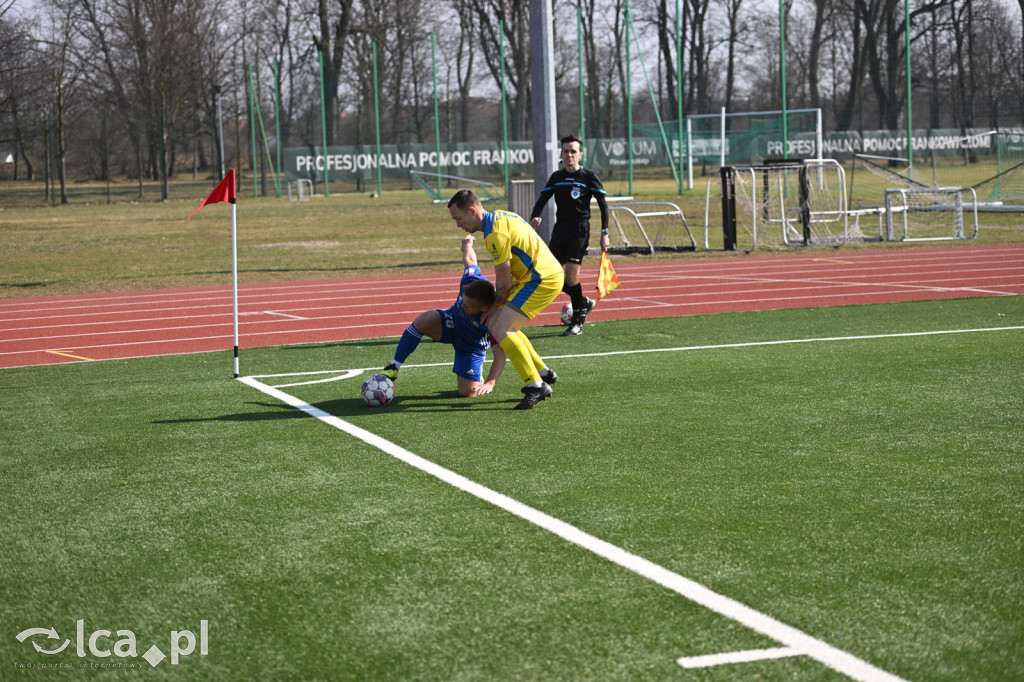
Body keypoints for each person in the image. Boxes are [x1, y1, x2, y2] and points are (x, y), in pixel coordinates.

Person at [447, 190, 562, 410]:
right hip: (537, 276)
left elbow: (504, 284)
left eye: (458, 219)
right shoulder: (500, 216)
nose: (458, 225)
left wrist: (491, 307)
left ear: (472, 211)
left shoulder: (494, 236)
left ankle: (536, 385)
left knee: (501, 327)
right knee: (502, 325)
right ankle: (541, 372)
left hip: (541, 278)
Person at [382, 234, 507, 398]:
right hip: (451, 322)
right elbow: (470, 261)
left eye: (468, 305)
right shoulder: (470, 280)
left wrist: (491, 382)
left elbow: (500, 355)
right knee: (425, 319)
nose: (462, 305)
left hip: (471, 345)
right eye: (463, 300)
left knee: (468, 392)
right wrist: (467, 245)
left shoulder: (493, 320)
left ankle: (476, 377)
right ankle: (394, 366)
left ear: (484, 308)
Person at [529, 133, 610, 336]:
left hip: (580, 230)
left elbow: (603, 206)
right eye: (566, 151)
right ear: (561, 154)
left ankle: (577, 321)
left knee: (571, 275)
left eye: (573, 151)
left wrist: (605, 233)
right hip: (560, 230)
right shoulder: (557, 177)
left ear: (580, 154)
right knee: (548, 274)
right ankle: (583, 301)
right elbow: (542, 199)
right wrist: (535, 217)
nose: (569, 155)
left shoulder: (589, 177)